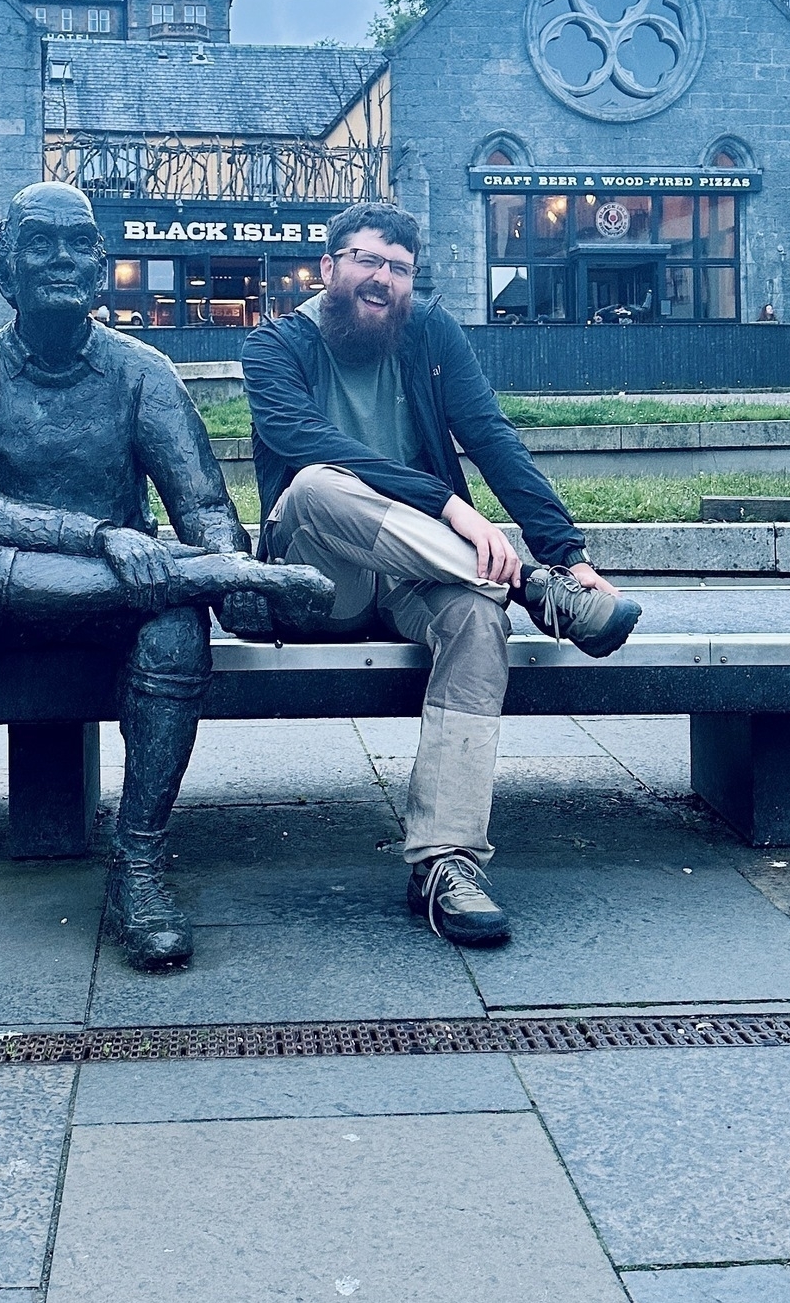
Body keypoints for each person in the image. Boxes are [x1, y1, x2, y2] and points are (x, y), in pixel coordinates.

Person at [0, 183, 334, 971]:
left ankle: (138, 865)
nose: (60, 258)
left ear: (101, 270)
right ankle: (188, 582)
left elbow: (200, 502)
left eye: (78, 244)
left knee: (174, 623)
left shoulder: (142, 372)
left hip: (119, 603)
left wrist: (217, 557)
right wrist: (103, 538)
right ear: (6, 272)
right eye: (40, 243)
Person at [243, 201, 641, 949]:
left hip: (413, 574)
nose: (382, 279)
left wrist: (573, 556)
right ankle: (528, 589)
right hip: (318, 574)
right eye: (366, 260)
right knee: (318, 482)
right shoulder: (275, 346)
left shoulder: (428, 334)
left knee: (476, 620)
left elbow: (490, 435)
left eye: (398, 268)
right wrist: (458, 514)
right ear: (329, 267)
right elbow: (298, 440)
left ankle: (445, 862)